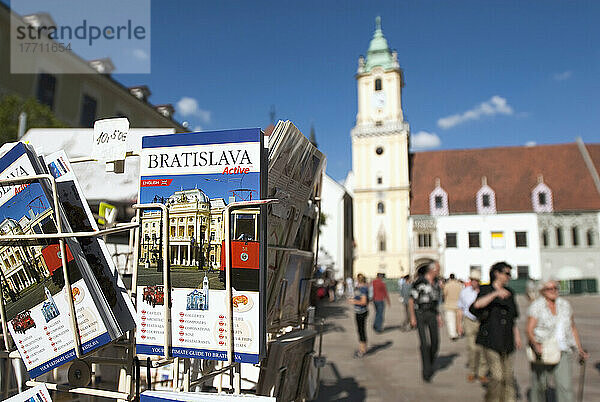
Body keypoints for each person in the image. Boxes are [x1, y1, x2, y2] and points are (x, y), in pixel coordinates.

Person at [526, 279, 589, 402]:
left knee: (565, 386)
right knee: (540, 385)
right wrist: (535, 344)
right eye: (549, 288)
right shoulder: (537, 306)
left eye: (555, 288)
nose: (553, 291)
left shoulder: (565, 305)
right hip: (543, 350)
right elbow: (529, 329)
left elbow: (572, 327)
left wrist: (579, 348)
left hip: (563, 349)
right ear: (542, 291)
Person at [470, 262, 522, 402]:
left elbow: (513, 317)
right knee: (497, 376)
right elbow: (476, 306)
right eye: (506, 273)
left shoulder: (510, 293)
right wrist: (495, 294)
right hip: (491, 338)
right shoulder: (486, 290)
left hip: (507, 338)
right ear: (497, 273)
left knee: (508, 376)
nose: (508, 277)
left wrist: (517, 336)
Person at [409, 262, 443, 382]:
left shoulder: (437, 283)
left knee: (435, 342)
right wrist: (412, 317)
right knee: (424, 343)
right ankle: (426, 371)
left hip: (432, 313)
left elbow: (436, 301)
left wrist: (438, 316)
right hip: (420, 313)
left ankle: (430, 360)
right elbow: (411, 300)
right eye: (438, 269)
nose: (439, 271)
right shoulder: (419, 282)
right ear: (432, 270)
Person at [457, 270, 488, 383]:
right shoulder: (464, 292)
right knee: (472, 348)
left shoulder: (484, 292)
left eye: (476, 280)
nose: (474, 282)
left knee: (483, 347)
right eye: (473, 280)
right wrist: (459, 325)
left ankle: (482, 372)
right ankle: (472, 371)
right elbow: (460, 308)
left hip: (482, 321)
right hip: (469, 320)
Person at [348, 273, 369, 358]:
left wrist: (354, 302)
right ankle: (362, 348)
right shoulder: (359, 288)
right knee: (360, 330)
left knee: (361, 330)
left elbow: (364, 302)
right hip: (358, 311)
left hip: (361, 312)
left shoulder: (363, 289)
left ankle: (362, 349)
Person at [443, 273, 463, 340]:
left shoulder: (447, 285)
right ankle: (458, 332)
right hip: (458, 305)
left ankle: (453, 334)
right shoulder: (459, 285)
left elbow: (445, 294)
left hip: (449, 305)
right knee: (458, 320)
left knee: (451, 321)